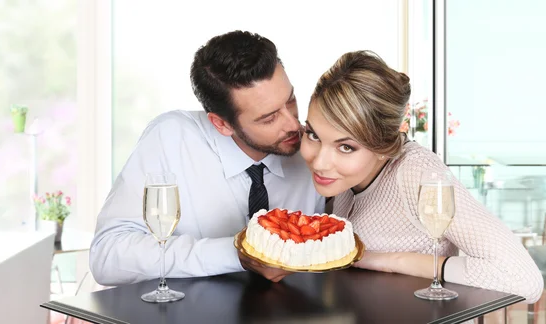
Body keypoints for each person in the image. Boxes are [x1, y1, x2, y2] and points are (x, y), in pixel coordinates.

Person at [299, 50, 544, 303]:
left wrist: (392, 260)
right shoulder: (343, 180)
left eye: (346, 147)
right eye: (313, 135)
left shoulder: (417, 172)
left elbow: (524, 280)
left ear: (384, 147)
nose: (319, 162)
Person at [89, 31, 324, 286]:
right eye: (268, 118)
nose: (293, 124)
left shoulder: (321, 146)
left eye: (290, 101)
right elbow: (107, 256)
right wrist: (238, 253)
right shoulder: (171, 140)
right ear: (222, 124)